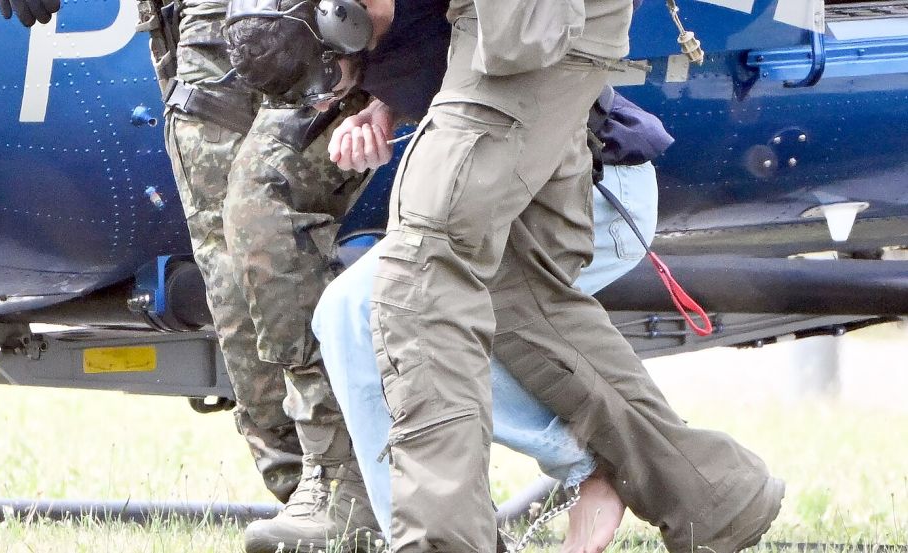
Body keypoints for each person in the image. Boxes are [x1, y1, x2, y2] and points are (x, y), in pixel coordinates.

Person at [226, 0, 786, 551]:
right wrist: (385, 106)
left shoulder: (471, 29)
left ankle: (537, 490)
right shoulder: (418, 41)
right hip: (538, 183)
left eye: (332, 61)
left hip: (608, 195)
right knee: (428, 300)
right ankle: (707, 491)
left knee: (410, 285)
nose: (336, 82)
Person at [0, 0, 383, 546]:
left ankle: (349, 479)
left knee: (264, 212)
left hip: (308, 17)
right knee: (227, 270)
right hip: (200, 24)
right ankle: (313, 490)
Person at [312, 88, 666, 548]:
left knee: (372, 309)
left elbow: (495, 60)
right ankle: (429, 538)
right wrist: (384, 105)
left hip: (585, 197)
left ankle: (590, 458)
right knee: (348, 312)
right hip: (490, 199)